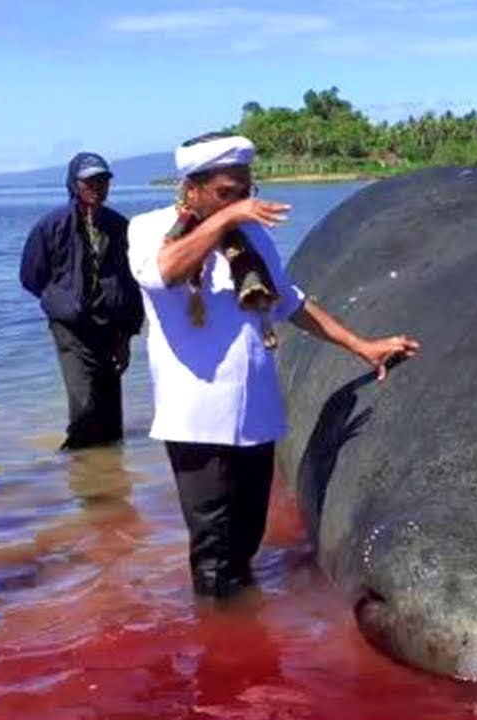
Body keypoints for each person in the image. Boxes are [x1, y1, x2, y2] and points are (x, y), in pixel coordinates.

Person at [127, 133, 419, 599]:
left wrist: (360, 345)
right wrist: (225, 221)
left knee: (246, 539)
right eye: (227, 192)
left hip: (257, 415)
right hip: (199, 420)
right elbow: (163, 272)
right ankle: (222, 652)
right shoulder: (149, 228)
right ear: (192, 189)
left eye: (246, 191)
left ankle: (245, 628)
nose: (241, 202)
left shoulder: (251, 237)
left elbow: (291, 303)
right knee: (215, 553)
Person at [20, 153, 145, 450]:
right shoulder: (51, 226)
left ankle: (110, 477)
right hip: (71, 328)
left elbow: (131, 283)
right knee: (85, 403)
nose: (97, 187)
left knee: (110, 408)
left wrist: (126, 336)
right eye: (89, 181)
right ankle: (76, 469)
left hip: (111, 327)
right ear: (74, 184)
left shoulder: (118, 227)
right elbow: (31, 276)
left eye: (102, 181)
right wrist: (60, 300)